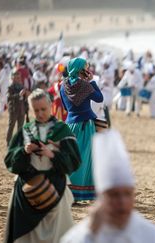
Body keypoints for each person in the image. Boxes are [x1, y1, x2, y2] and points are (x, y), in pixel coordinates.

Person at [60, 129, 155, 243]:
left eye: (128, 194)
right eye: (114, 195)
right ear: (101, 198)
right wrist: (91, 233)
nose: (122, 201)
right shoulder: (80, 236)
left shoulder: (150, 234)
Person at [4, 89, 81, 243]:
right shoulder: (25, 131)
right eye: (36, 110)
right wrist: (24, 151)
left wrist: (53, 154)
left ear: (51, 105)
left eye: (43, 109)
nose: (40, 114)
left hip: (55, 189)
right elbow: (10, 160)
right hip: (27, 191)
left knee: (57, 234)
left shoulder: (62, 130)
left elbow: (74, 161)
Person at [60, 57, 103, 201]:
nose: (88, 69)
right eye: (86, 67)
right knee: (83, 159)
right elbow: (99, 98)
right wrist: (91, 81)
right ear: (81, 70)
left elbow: (65, 107)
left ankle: (67, 192)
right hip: (85, 126)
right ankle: (77, 193)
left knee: (71, 157)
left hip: (70, 125)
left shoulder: (62, 85)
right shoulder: (85, 86)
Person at [6, 70, 28, 145]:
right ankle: (8, 142)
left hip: (21, 109)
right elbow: (9, 97)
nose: (18, 79)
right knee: (11, 126)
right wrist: (19, 95)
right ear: (13, 78)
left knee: (20, 127)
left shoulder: (22, 86)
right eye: (16, 77)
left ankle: (19, 142)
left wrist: (26, 108)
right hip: (14, 109)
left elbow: (25, 99)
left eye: (19, 77)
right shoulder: (10, 87)